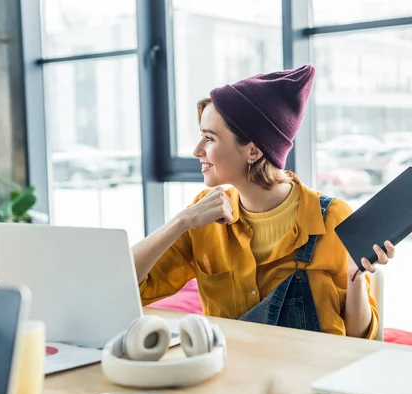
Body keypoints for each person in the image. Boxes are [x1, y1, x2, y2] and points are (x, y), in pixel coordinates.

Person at [133, 64, 395, 339]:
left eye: (209, 138)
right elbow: (127, 288)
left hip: (311, 372)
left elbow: (358, 339)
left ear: (253, 151)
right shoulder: (204, 215)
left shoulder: (333, 218)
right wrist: (181, 222)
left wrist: (356, 279)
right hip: (234, 371)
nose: (197, 150)